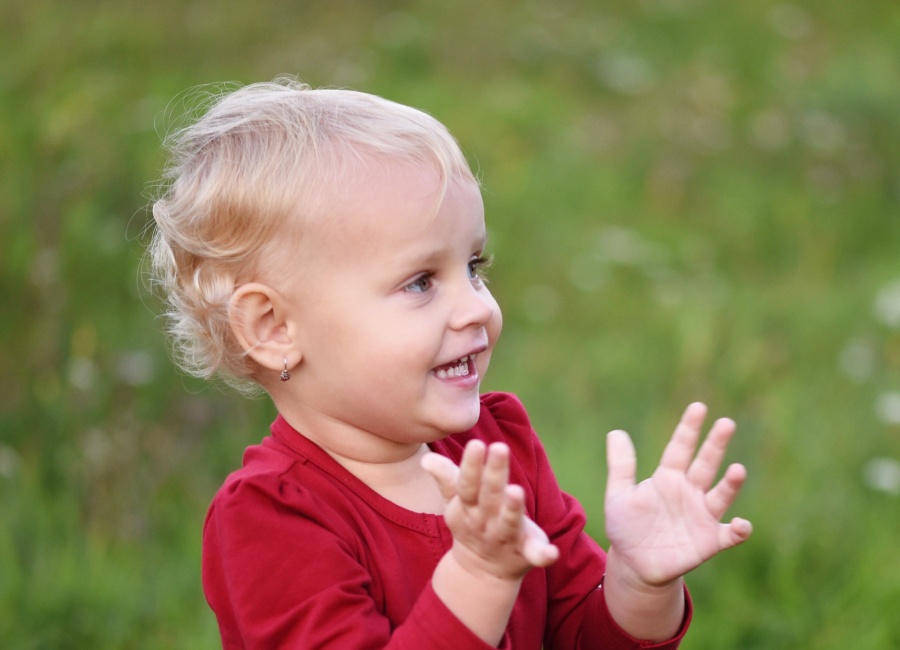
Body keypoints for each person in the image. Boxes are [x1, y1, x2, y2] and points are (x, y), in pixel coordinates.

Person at [148, 76, 752, 649]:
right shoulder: (272, 520)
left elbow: (581, 633)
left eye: (474, 267)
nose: (475, 309)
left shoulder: (496, 450)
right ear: (274, 328)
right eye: (420, 282)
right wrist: (480, 578)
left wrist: (638, 583)